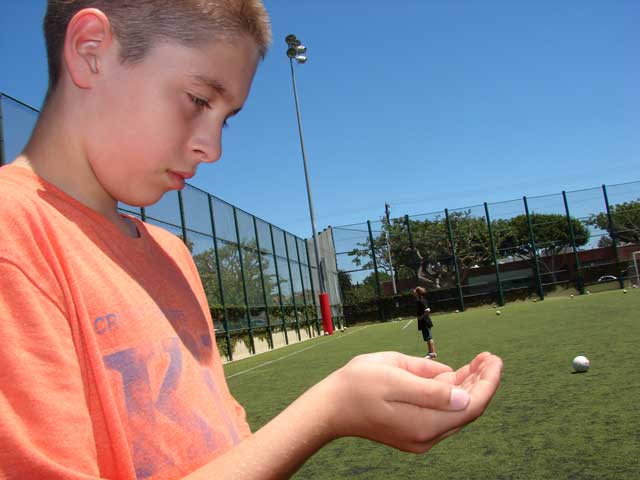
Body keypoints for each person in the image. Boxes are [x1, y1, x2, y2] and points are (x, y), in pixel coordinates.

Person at [0, 1, 503, 479]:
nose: (213, 148)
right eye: (198, 100)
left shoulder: (173, 254)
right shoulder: (13, 236)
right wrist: (328, 411)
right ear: (91, 50)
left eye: (225, 118)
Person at [414, 287, 437, 359]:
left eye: (415, 290)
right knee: (428, 337)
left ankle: (432, 353)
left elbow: (427, 310)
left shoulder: (421, 301)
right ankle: (431, 352)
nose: (414, 292)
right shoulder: (419, 300)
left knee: (429, 337)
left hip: (425, 322)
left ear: (418, 293)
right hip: (423, 322)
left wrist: (421, 317)